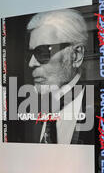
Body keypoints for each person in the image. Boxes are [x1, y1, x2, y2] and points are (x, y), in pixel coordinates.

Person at [25, 9, 94, 145]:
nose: (31, 63)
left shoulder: (100, 108)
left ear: (76, 55)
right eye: (30, 54)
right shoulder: (32, 111)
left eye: (43, 52)